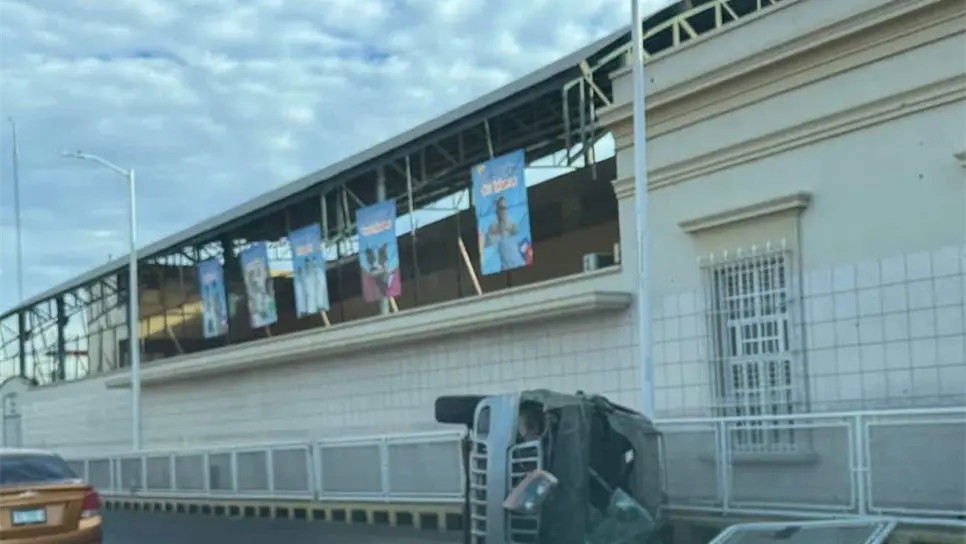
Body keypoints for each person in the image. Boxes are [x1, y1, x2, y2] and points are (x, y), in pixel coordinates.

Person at [483, 196, 526, 271]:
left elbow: (523, 242)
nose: (503, 211)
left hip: (519, 266)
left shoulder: (513, 227)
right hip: (505, 268)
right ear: (496, 211)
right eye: (501, 208)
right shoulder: (493, 229)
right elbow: (486, 244)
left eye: (505, 208)